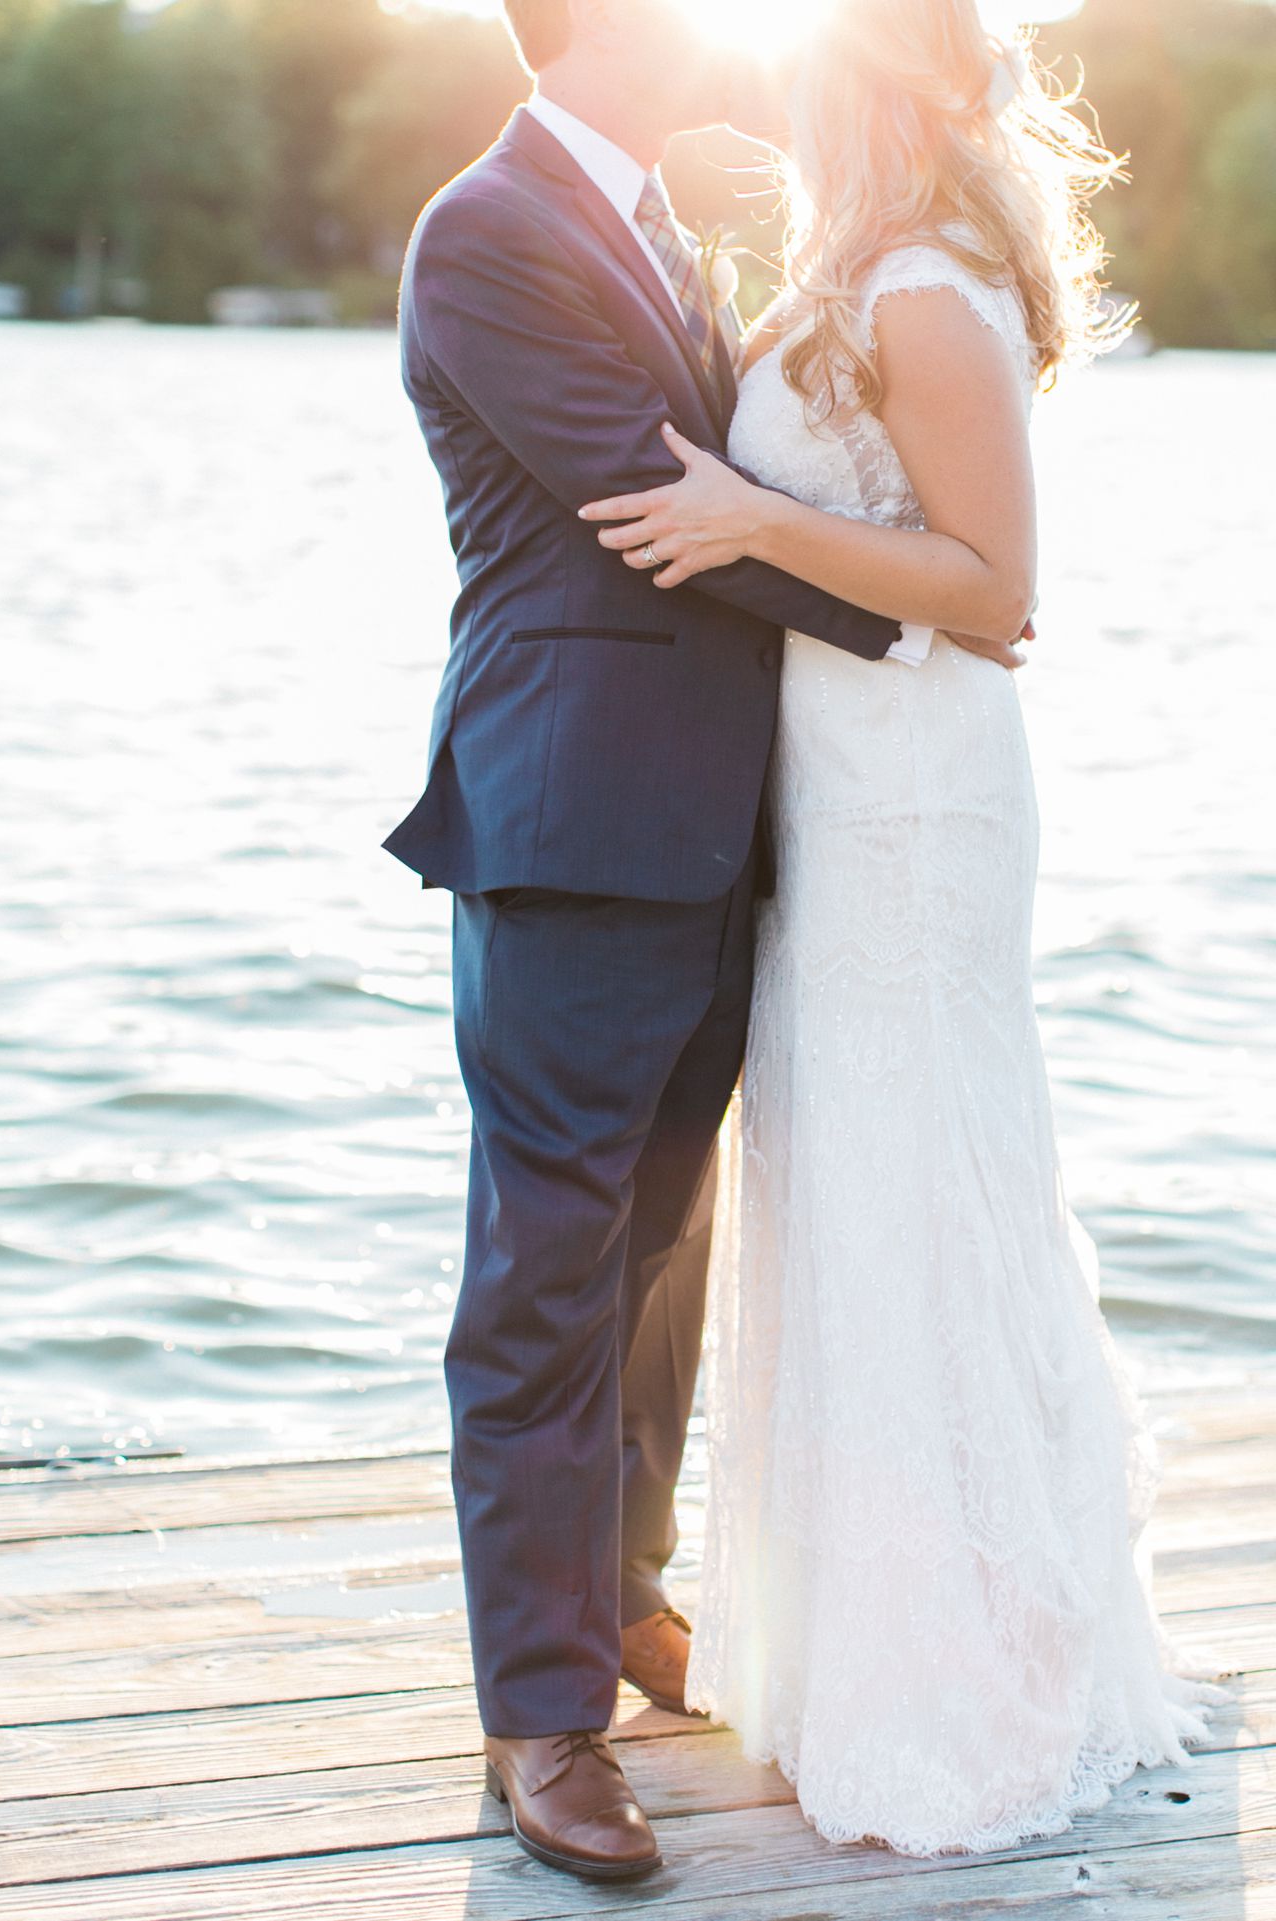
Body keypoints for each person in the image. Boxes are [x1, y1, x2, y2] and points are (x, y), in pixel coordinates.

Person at [382, 0, 1025, 1884]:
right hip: (575, 828)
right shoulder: (488, 230)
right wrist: (939, 601)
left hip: (726, 831)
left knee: (661, 1246)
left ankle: (627, 1595)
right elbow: (658, 503)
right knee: (548, 1273)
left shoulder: (662, 220)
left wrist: (940, 574)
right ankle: (540, 1719)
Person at [578, 0, 1228, 1858]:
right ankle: (860, 1634)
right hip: (838, 799)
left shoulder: (929, 287)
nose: (778, 97)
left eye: (804, 75)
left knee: (912, 1178)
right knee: (845, 1182)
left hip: (923, 810)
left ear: (864, 87)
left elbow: (998, 590)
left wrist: (736, 518)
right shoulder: (845, 277)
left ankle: (969, 1667)